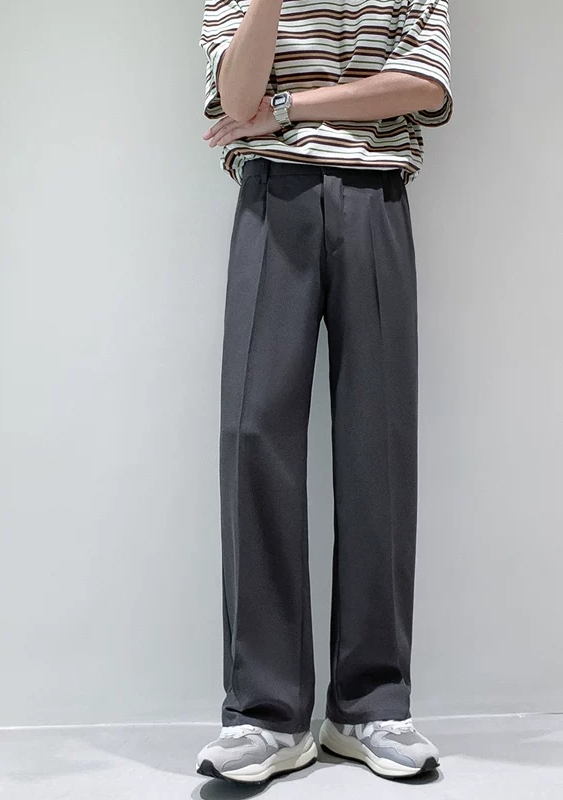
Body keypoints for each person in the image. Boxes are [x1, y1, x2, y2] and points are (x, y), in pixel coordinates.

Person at [194, 0, 453, 784]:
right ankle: (265, 715)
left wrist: (289, 107)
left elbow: (423, 85)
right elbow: (235, 98)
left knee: (378, 442)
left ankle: (371, 706)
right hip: (272, 193)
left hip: (375, 194)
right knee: (253, 436)